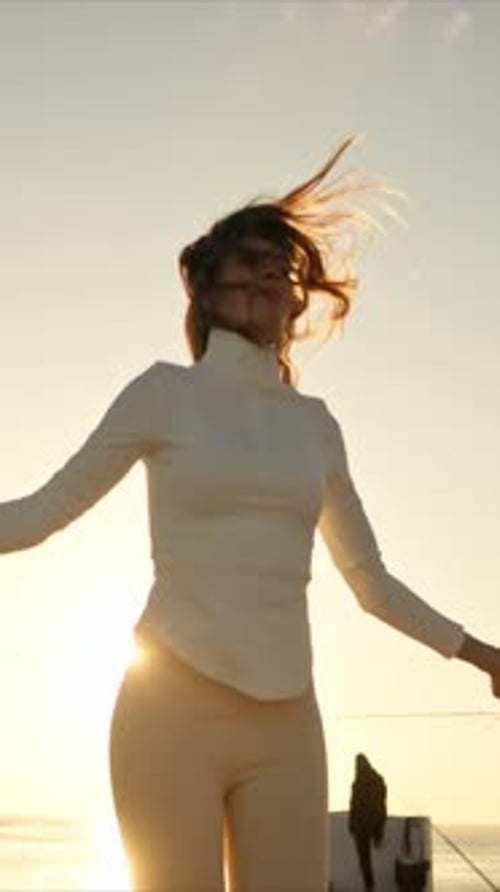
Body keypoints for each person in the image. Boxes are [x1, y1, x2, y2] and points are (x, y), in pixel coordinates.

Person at [0, 136, 499, 892]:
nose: (273, 270)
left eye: (283, 263)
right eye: (254, 256)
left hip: (287, 725)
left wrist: (483, 657)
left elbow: (372, 583)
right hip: (168, 713)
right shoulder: (162, 394)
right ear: (206, 285)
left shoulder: (318, 426)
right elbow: (41, 514)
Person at [348, 754, 387, 891]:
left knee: (364, 858)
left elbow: (353, 805)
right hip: (372, 824)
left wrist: (352, 825)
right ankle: (369, 885)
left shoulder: (358, 782)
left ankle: (369, 886)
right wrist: (379, 828)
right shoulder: (378, 780)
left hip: (362, 826)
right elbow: (381, 805)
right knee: (366, 858)